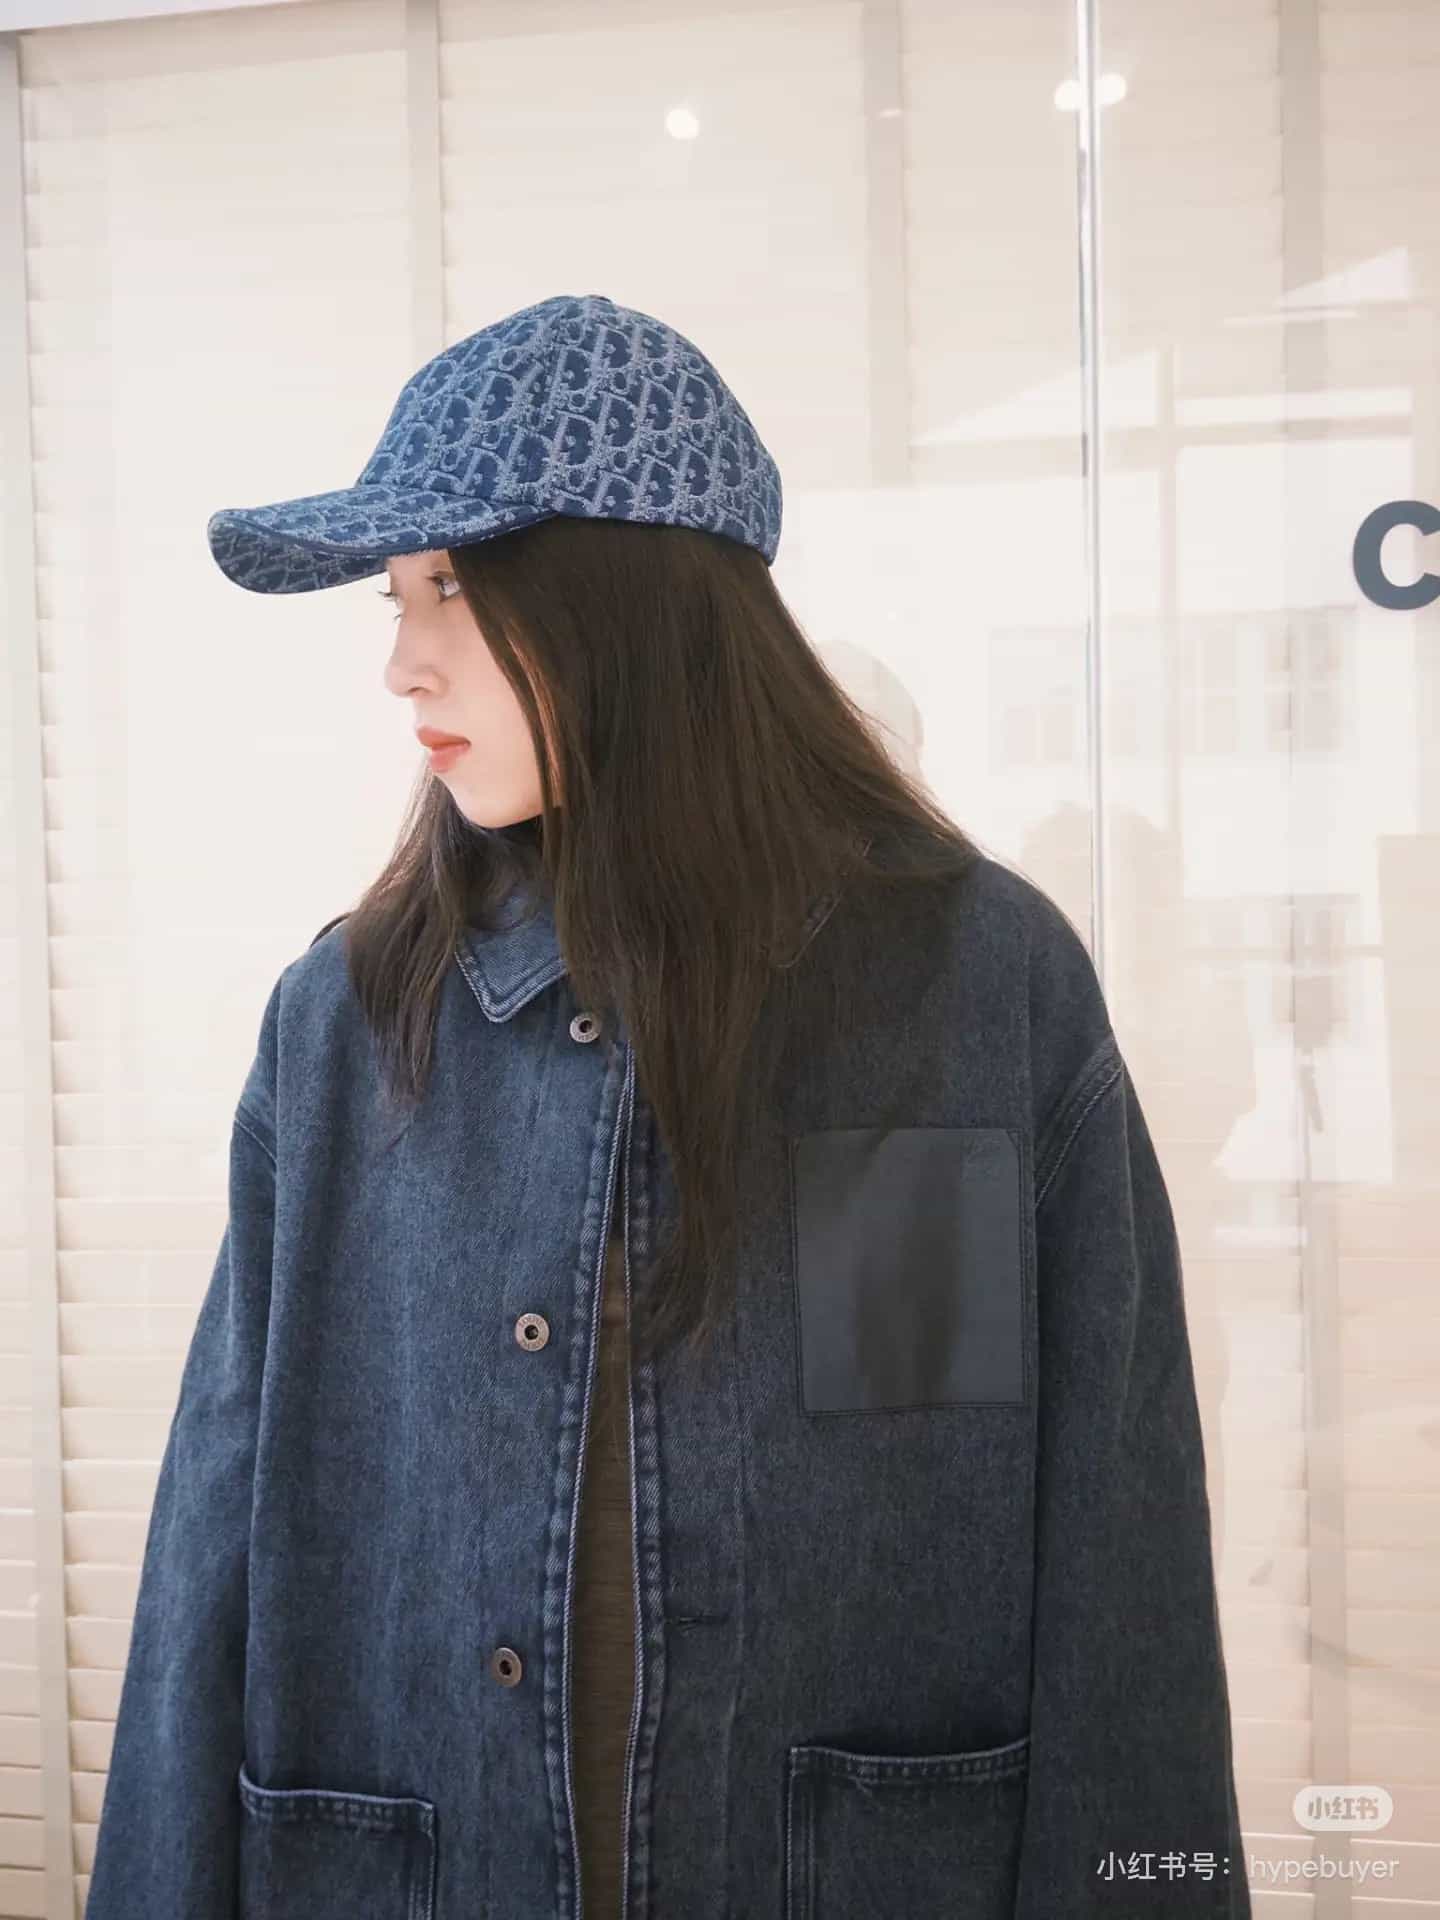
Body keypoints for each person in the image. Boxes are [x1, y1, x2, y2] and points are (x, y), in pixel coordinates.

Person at [86, 292, 1250, 1918]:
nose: (401, 659)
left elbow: (1118, 1566)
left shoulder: (974, 993)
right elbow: (208, 1560)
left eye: (449, 585)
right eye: (395, 595)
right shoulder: (347, 1026)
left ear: (625, 599)